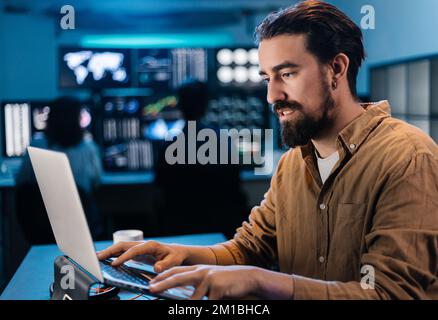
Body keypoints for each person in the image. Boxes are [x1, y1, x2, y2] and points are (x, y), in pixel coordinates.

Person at [98, 0, 438, 299]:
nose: (272, 96)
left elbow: (390, 293)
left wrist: (261, 281)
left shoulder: (406, 158)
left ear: (336, 68)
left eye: (286, 74)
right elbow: (248, 249)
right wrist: (177, 253)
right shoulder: (293, 164)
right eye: (266, 79)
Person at [154, 80, 247, 237]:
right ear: (206, 105)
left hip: (181, 232)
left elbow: (159, 195)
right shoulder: (222, 141)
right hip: (221, 232)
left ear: (180, 106)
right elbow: (236, 189)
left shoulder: (169, 146)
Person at [16, 96, 104, 241]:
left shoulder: (36, 146)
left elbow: (22, 182)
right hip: (76, 226)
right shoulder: (88, 149)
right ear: (78, 120)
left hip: (38, 226)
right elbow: (96, 182)